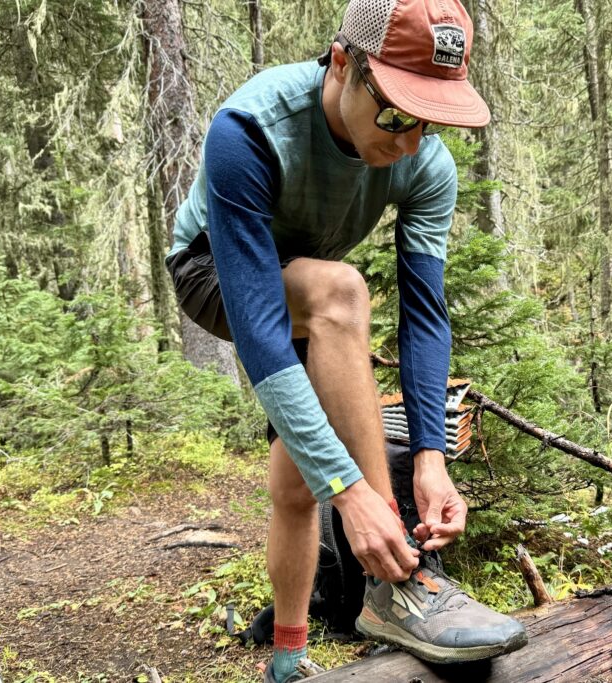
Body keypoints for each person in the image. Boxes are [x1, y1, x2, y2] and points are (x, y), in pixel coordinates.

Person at [166, 0, 527, 680]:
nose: (409, 140)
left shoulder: (427, 166)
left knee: (297, 485)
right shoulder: (247, 128)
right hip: (215, 270)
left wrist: (429, 458)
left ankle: (288, 653)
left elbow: (424, 316)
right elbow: (259, 327)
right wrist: (356, 491)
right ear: (342, 63)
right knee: (341, 294)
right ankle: (396, 586)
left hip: (308, 291)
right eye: (394, 112)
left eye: (430, 118)